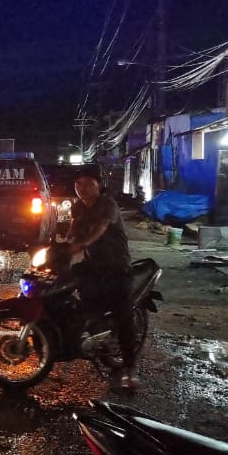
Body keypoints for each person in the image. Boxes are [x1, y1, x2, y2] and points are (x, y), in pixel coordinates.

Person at [65, 166, 138, 390]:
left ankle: (130, 369)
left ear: (98, 185)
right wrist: (60, 244)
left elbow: (101, 227)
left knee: (124, 317)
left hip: (116, 266)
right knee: (65, 290)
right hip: (94, 265)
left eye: (87, 183)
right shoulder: (78, 206)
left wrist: (85, 243)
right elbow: (72, 229)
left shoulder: (108, 204)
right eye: (78, 184)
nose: (81, 188)